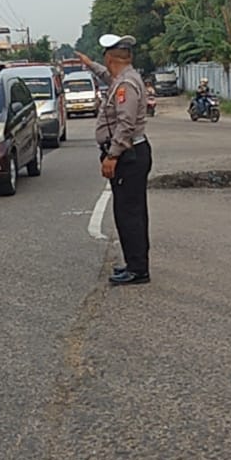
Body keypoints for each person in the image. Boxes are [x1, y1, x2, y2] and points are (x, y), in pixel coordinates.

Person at [74, 36, 152, 285]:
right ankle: (135, 264)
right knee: (131, 211)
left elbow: (126, 124)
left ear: (110, 58)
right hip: (131, 153)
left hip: (128, 155)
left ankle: (138, 270)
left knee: (129, 213)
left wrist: (113, 155)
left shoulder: (125, 85)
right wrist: (89, 64)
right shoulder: (123, 78)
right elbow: (107, 76)